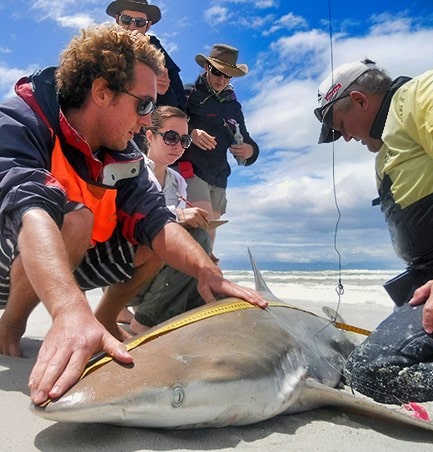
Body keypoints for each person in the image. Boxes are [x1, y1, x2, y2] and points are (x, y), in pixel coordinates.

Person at [0, 24, 267, 406]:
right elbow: (28, 207)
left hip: (60, 262)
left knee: (158, 236)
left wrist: (206, 270)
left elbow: (158, 220)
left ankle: (104, 319)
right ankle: (11, 323)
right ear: (102, 92)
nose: (147, 119)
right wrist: (68, 311)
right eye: (144, 104)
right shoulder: (24, 119)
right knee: (73, 218)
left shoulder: (124, 155)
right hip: (8, 253)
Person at [314, 59, 433, 404]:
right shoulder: (390, 142)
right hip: (432, 283)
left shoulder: (429, 95)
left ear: (359, 100)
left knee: (372, 372)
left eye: (341, 124)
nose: (345, 137)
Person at [121, 105, 213, 334]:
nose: (178, 146)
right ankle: (145, 320)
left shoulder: (178, 181)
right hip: (125, 272)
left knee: (202, 254)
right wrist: (180, 216)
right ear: (150, 136)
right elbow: (126, 224)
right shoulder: (132, 169)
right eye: (171, 137)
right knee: (197, 238)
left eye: (184, 140)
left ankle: (173, 317)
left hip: (154, 270)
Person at [178, 44, 259, 261]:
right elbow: (163, 123)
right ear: (206, 67)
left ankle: (200, 280)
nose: (221, 79)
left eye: (227, 75)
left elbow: (248, 139)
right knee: (201, 227)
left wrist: (250, 150)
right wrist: (191, 133)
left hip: (220, 176)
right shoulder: (187, 93)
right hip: (191, 170)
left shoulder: (234, 106)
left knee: (209, 234)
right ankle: (201, 280)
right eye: (216, 72)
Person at [106, 0, 185, 109]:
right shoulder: (100, 48)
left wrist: (163, 92)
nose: (132, 26)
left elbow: (177, 104)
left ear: (147, 26)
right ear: (117, 19)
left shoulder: (159, 53)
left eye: (139, 22)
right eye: (126, 19)